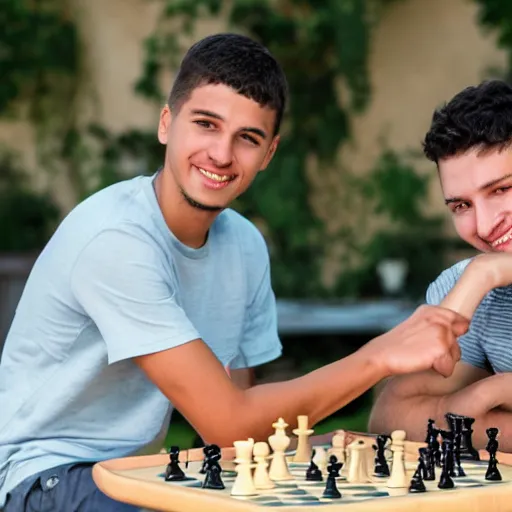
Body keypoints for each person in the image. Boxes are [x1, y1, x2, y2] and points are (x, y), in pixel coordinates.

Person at [0, 33, 467, 512]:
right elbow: (231, 423)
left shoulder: (244, 245)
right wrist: (381, 355)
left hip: (139, 475)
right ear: (166, 123)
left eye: (247, 138)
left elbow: (238, 436)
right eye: (206, 124)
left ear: (268, 154)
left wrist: (318, 450)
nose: (222, 155)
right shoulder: (116, 240)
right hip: (45, 478)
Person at [369, 79, 512, 452]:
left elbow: (438, 422)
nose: (483, 226)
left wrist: (495, 391)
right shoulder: (468, 287)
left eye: (501, 189)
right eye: (461, 206)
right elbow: (390, 417)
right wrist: (473, 400)